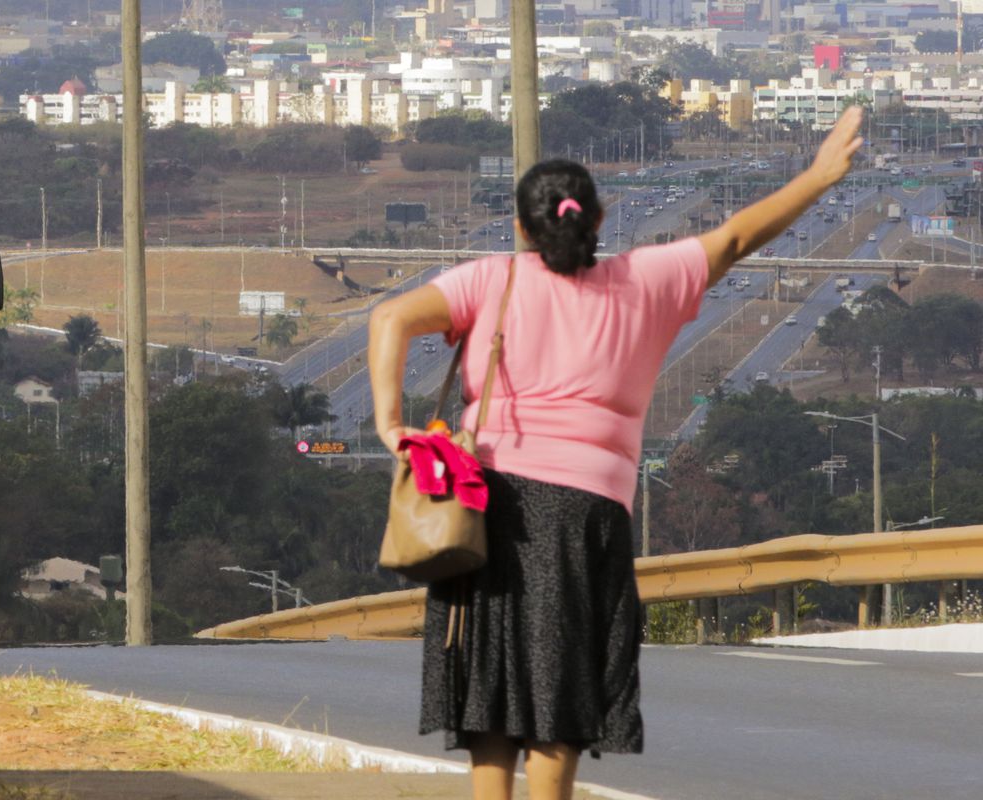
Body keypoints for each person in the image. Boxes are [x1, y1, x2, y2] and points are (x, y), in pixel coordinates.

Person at [366, 107, 863, 800]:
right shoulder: (647, 280)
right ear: (597, 220)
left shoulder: (491, 280)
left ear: (520, 229)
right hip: (586, 511)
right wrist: (817, 176)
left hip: (486, 501)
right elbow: (739, 235)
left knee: (492, 672)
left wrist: (393, 427)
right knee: (564, 673)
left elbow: (388, 317)